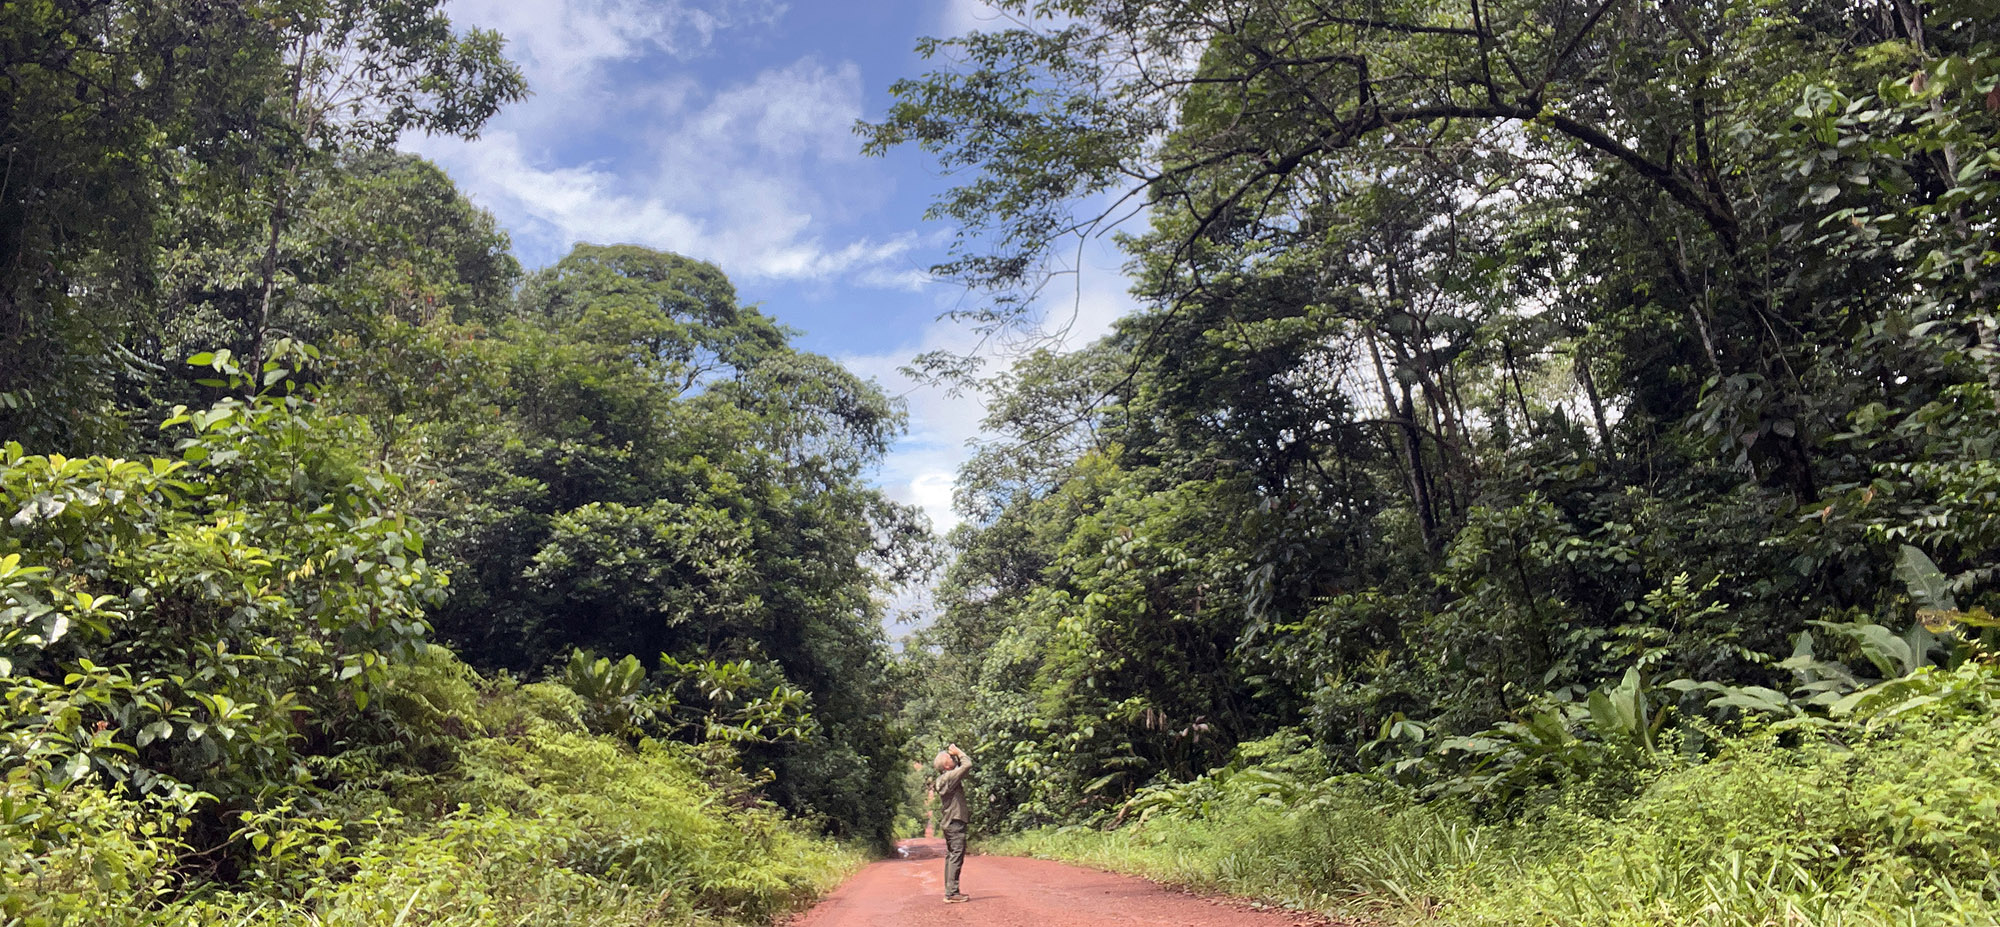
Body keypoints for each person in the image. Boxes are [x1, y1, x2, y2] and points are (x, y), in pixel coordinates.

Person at [932, 743, 972, 902]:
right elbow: (967, 764)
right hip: (955, 821)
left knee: (952, 856)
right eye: (950, 758)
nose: (952, 757)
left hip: (949, 821)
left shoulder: (942, 779)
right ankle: (952, 893)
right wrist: (959, 752)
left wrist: (955, 755)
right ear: (946, 765)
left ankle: (951, 891)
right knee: (956, 855)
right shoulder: (950, 777)